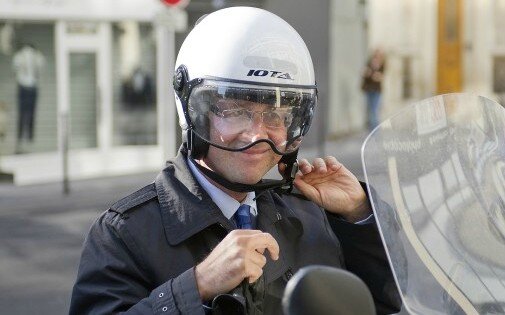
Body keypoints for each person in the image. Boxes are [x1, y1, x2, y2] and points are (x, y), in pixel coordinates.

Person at [70, 7, 400, 315]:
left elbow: (383, 300)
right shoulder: (124, 233)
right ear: (194, 112)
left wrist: (360, 217)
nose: (257, 135)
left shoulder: (312, 212)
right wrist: (195, 287)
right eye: (235, 111)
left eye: (276, 114)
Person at [12, 43, 45, 147]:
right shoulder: (38, 55)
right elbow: (41, 66)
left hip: (22, 85)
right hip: (33, 86)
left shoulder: (19, 55)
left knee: (22, 112)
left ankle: (21, 136)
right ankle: (30, 136)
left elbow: (15, 67)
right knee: (31, 112)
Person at [361, 49, 386, 131]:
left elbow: (379, 77)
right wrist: (372, 74)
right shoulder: (369, 63)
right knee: (370, 110)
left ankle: (375, 130)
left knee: (374, 110)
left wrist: (370, 74)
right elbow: (363, 73)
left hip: (376, 90)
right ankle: (372, 129)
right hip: (369, 89)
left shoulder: (382, 64)